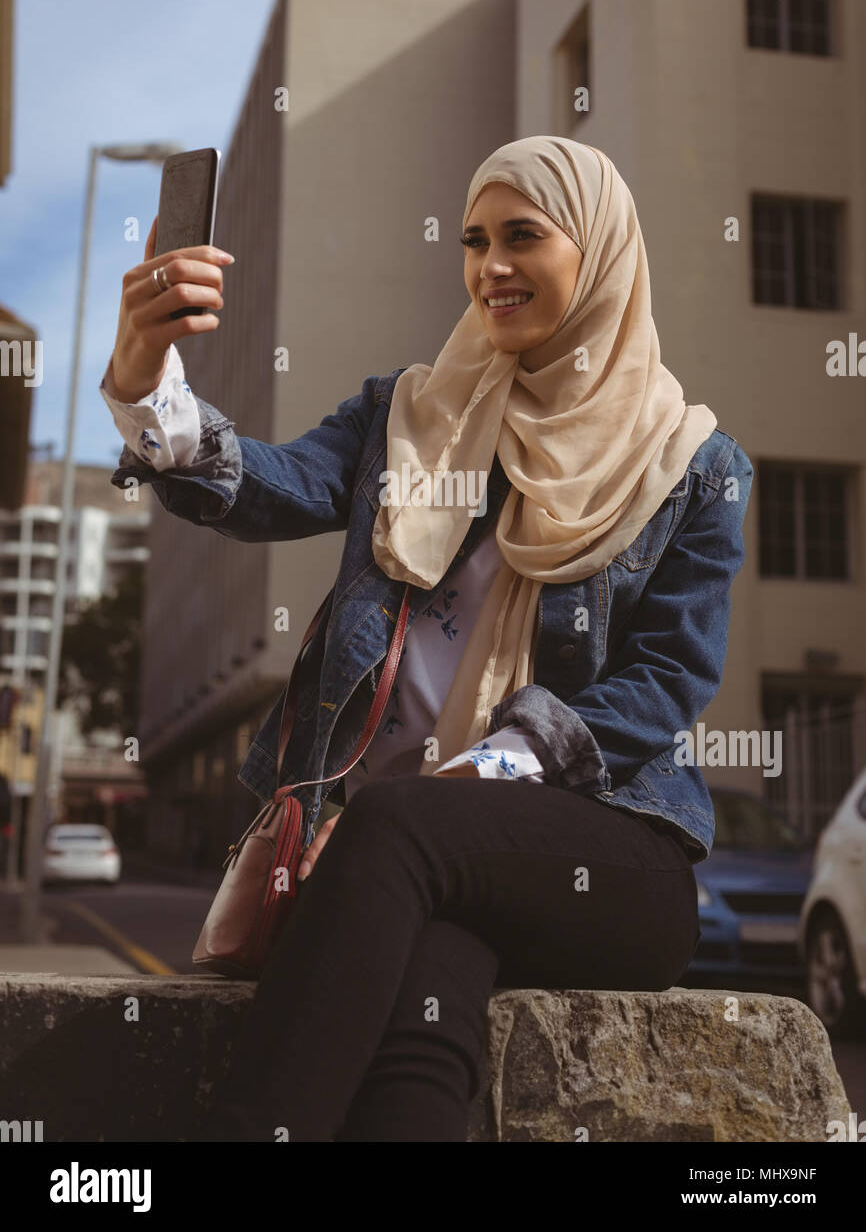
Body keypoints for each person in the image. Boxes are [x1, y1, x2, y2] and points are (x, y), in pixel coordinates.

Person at [100, 136, 753, 1142]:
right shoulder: (410, 415)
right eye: (472, 239)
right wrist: (146, 377)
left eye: (521, 236)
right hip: (410, 872)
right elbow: (259, 487)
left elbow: (664, 681)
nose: (488, 264)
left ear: (600, 254)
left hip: (608, 852)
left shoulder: (693, 465)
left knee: (404, 826)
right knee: (426, 1015)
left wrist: (490, 769)